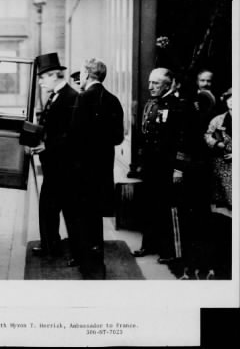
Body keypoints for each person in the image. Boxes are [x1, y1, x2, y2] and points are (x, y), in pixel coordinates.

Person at [68, 58, 124, 279]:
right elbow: (118, 138)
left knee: (83, 219)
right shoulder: (113, 100)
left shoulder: (83, 99)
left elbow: (74, 138)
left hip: (82, 172)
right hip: (102, 172)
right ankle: (97, 264)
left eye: (81, 73)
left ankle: (89, 268)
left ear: (87, 74)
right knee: (95, 220)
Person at [132, 68, 189, 264]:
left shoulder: (178, 106)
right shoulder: (151, 104)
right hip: (151, 166)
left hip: (168, 166)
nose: (150, 87)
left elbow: (183, 140)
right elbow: (145, 136)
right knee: (149, 206)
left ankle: (171, 251)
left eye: (156, 83)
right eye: (150, 82)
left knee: (168, 208)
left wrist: (179, 169)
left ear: (168, 84)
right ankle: (149, 244)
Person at [30, 52, 78, 257]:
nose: (40, 82)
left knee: (57, 206)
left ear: (53, 75)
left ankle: (58, 246)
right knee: (49, 206)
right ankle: (52, 244)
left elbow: (72, 133)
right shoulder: (56, 95)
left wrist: (47, 145)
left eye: (42, 77)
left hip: (63, 165)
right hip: (54, 163)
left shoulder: (70, 97)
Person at [205, 87, 232, 209]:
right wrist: (216, 143)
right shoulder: (218, 120)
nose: (232, 101)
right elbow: (207, 135)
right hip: (221, 164)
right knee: (220, 202)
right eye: (229, 99)